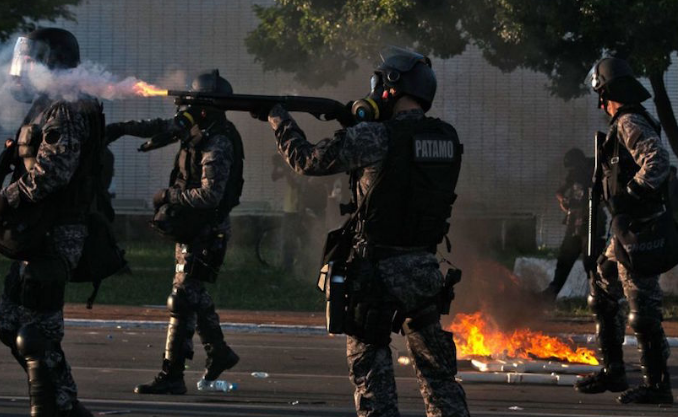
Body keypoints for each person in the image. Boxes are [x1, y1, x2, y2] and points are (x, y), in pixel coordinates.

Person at [261, 47, 470, 417]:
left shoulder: (375, 136)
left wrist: (279, 119)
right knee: (439, 378)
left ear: (392, 87)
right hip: (423, 270)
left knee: (373, 381)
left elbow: (307, 160)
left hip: (377, 274)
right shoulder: (447, 137)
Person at [105, 70, 244, 395]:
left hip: (207, 233)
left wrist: (168, 196)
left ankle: (172, 375)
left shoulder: (218, 141)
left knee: (182, 299)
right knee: (193, 294)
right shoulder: (200, 129)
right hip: (193, 230)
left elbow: (210, 195)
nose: (184, 115)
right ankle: (219, 351)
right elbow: (162, 128)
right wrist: (121, 129)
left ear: (206, 108)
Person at [0, 28, 101, 416]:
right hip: (34, 229)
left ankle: (54, 406)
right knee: (11, 324)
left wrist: (5, 199)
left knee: (37, 332)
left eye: (30, 63)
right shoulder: (47, 104)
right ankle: (64, 401)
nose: (21, 72)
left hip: (55, 230)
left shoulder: (66, 107)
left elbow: (52, 173)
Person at [575, 57, 673, 404]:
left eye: (601, 95)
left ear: (608, 93)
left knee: (642, 310)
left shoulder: (630, 122)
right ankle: (614, 370)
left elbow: (658, 161)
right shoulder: (621, 126)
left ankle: (657, 386)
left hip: (640, 232)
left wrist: (630, 196)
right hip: (625, 232)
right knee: (602, 288)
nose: (601, 104)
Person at [541, 148, 605, 300]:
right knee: (565, 257)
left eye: (574, 168)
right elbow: (560, 191)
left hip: (592, 220)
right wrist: (564, 200)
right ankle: (552, 292)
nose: (573, 171)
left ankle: (599, 295)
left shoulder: (595, 169)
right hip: (574, 221)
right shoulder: (574, 174)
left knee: (591, 261)